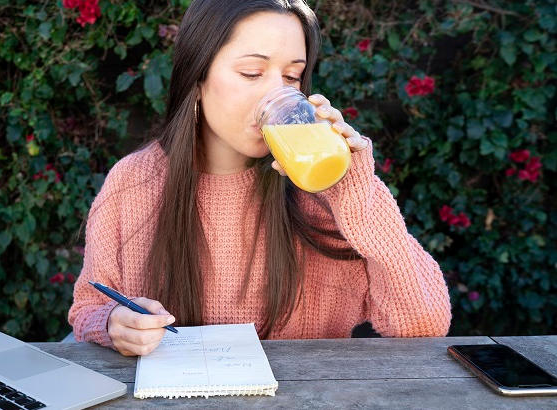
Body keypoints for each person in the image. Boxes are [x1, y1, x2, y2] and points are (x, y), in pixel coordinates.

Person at [68, 0, 451, 357]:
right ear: (197, 79)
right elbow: (89, 306)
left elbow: (424, 324)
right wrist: (113, 324)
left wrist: (355, 190)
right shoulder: (134, 183)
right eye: (252, 72)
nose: (276, 93)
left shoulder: (324, 193)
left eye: (292, 76)